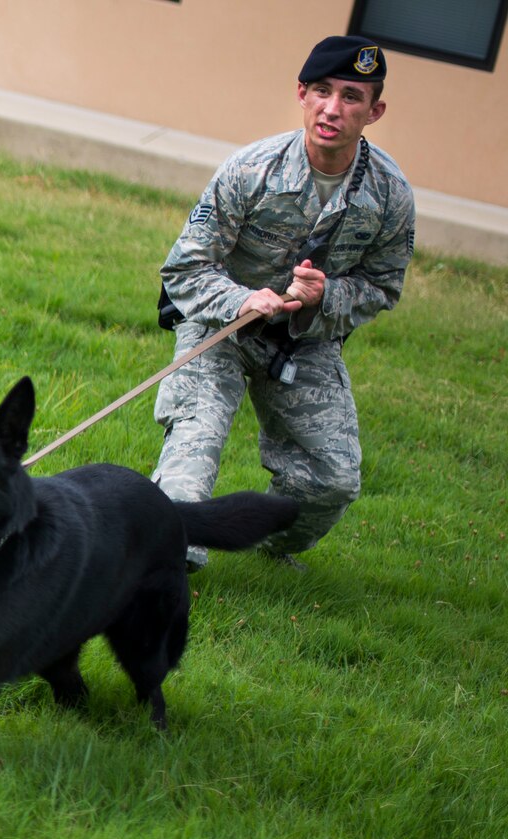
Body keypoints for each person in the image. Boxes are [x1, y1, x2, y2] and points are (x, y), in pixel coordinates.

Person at [152, 35, 415, 572]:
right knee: (195, 444)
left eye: (350, 96)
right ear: (301, 93)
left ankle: (272, 549)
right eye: (321, 91)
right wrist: (245, 298)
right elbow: (184, 267)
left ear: (375, 110)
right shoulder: (251, 170)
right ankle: (166, 563)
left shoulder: (390, 195)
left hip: (304, 344)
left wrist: (326, 299)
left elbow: (383, 285)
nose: (332, 109)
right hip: (220, 328)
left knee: (335, 478)